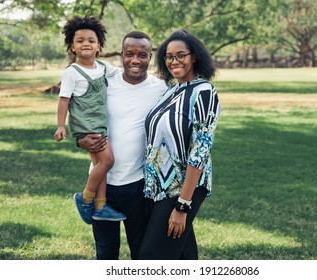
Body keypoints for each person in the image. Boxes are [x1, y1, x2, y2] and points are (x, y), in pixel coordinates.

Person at [77, 31, 167, 259]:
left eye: (142, 55)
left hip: (137, 186)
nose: (135, 60)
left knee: (141, 252)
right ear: (122, 54)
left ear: (150, 56)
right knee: (106, 252)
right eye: (129, 54)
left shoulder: (161, 89)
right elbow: (79, 107)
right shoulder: (104, 81)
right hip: (102, 184)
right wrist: (79, 138)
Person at [139, 30, 221, 260]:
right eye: (168, 56)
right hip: (158, 187)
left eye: (180, 55)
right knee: (183, 254)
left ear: (194, 57)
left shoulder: (204, 92)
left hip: (183, 188)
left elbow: (200, 152)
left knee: (152, 256)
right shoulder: (171, 91)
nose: (174, 61)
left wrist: (183, 205)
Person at [54, 15, 126, 224]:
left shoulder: (103, 68)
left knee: (99, 165)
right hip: (86, 127)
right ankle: (85, 198)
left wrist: (152, 77)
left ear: (99, 46)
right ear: (72, 47)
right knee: (108, 161)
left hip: (99, 125)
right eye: (80, 40)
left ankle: (100, 206)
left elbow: (124, 72)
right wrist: (60, 126)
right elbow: (63, 100)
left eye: (91, 40)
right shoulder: (72, 73)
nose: (86, 43)